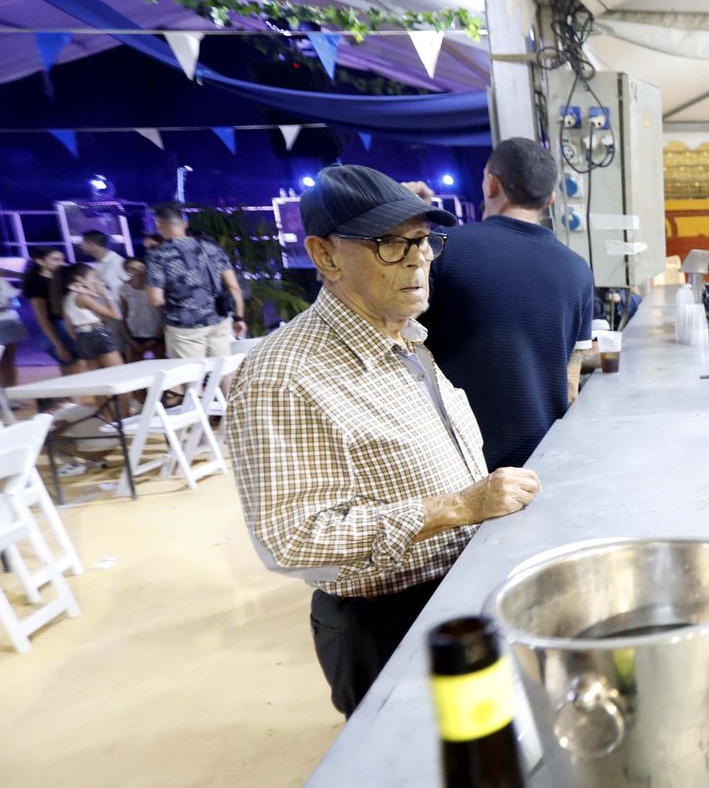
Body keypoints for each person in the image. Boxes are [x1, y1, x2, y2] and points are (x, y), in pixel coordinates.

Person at [227, 164, 543, 718]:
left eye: (423, 241)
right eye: (390, 245)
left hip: (453, 596)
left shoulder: (405, 338)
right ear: (325, 256)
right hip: (386, 622)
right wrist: (460, 506)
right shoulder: (285, 374)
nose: (418, 258)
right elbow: (291, 537)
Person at [414, 138, 595, 470]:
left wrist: (409, 224)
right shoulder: (578, 269)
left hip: (463, 466)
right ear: (550, 199)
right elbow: (571, 383)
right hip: (544, 462)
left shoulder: (442, 250)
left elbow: (394, 339)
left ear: (491, 184)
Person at [144, 202, 246, 359]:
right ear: (185, 224)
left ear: (158, 224)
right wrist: (239, 318)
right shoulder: (211, 248)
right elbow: (234, 288)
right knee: (224, 370)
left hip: (184, 326)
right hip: (218, 319)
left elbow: (156, 300)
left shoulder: (158, 255)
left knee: (192, 376)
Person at [22, 245, 83, 375]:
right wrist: (58, 344)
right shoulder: (36, 282)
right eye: (55, 259)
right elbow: (41, 316)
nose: (60, 263)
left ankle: (70, 394)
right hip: (54, 326)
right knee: (71, 363)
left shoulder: (61, 276)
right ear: (40, 261)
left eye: (61, 259)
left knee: (73, 364)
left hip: (66, 323)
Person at [59, 263, 125, 371]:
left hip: (81, 338)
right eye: (93, 276)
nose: (96, 280)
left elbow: (69, 326)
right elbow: (116, 315)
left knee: (97, 376)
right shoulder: (83, 297)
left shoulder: (68, 298)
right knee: (118, 373)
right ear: (79, 279)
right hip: (97, 334)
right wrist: (107, 294)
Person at [118, 257, 164, 360]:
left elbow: (164, 313)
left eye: (141, 267)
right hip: (135, 335)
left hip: (157, 334)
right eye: (132, 269)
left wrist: (157, 337)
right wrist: (130, 340)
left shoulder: (156, 286)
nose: (138, 272)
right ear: (127, 272)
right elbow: (123, 316)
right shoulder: (124, 289)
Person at [79, 230, 126, 298]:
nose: (82, 247)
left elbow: (131, 288)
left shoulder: (118, 261)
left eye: (83, 243)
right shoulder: (97, 263)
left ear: (91, 244)